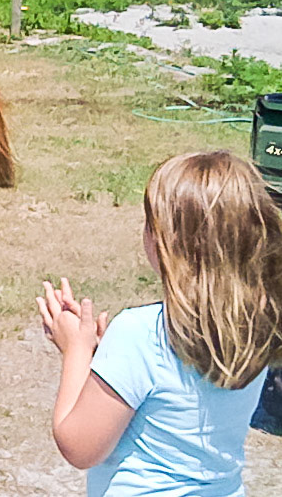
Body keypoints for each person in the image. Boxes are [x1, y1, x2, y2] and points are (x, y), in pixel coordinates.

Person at [36, 151, 282, 496]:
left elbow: (79, 446)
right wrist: (110, 362)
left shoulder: (141, 333)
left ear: (165, 240)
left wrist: (76, 349)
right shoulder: (261, 324)